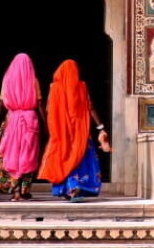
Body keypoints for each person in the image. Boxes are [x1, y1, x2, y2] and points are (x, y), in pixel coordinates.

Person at [38, 59, 111, 202]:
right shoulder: (81, 87)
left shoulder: (54, 88)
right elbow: (91, 107)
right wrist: (101, 127)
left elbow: (49, 111)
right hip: (80, 130)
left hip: (62, 130)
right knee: (79, 158)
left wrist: (52, 129)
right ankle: (75, 188)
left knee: (65, 156)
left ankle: (67, 189)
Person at [0, 53, 45, 201]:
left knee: (11, 155)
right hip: (30, 121)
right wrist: (45, 122)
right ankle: (24, 190)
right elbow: (39, 104)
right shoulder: (33, 81)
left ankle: (15, 190)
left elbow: (1, 102)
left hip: (11, 120)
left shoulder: (8, 80)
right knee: (27, 156)